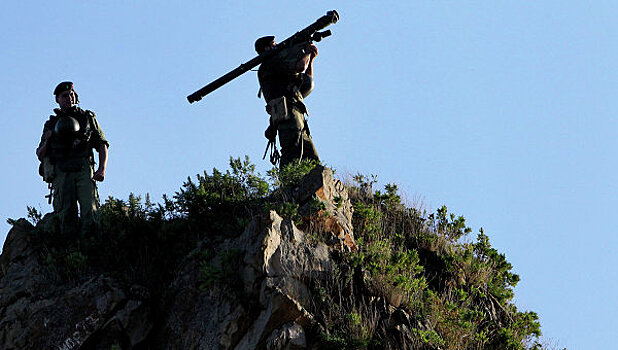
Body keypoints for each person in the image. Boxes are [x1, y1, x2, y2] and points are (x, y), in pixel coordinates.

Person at [36, 81, 109, 236]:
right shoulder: (51, 124)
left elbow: (102, 144)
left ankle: (92, 249)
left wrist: (101, 169)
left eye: (71, 95)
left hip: (83, 167)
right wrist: (49, 139)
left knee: (90, 210)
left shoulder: (87, 118)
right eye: (64, 96)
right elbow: (40, 154)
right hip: (61, 171)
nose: (69, 98)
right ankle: (69, 254)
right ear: (57, 99)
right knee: (65, 214)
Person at [256, 35, 320, 168]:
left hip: (296, 112)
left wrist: (311, 59)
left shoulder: (278, 66)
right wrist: (307, 52)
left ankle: (314, 185)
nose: (277, 45)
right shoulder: (271, 63)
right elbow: (300, 67)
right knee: (292, 150)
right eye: (273, 43)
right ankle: (288, 185)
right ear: (267, 48)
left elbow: (306, 83)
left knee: (311, 158)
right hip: (288, 111)